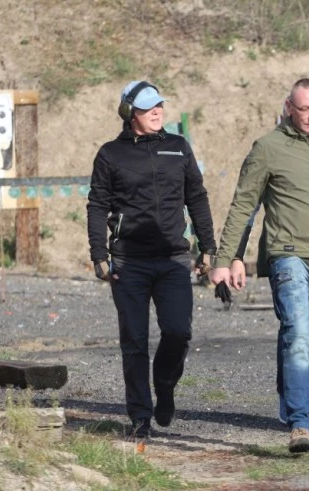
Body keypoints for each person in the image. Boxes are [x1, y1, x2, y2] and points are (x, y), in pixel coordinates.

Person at [211, 78, 309, 454]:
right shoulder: (267, 148)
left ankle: (302, 408)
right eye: (304, 109)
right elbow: (243, 206)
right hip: (288, 253)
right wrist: (224, 259)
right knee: (297, 332)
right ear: (288, 107)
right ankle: (302, 422)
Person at [87, 80, 217, 440]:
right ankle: (140, 417)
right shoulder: (111, 154)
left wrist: (208, 247)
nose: (157, 111)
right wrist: (99, 254)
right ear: (130, 114)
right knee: (134, 341)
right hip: (129, 262)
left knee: (178, 332)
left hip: (174, 259)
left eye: (159, 105)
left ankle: (165, 384)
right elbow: (97, 205)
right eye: (147, 108)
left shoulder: (178, 148)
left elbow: (198, 198)